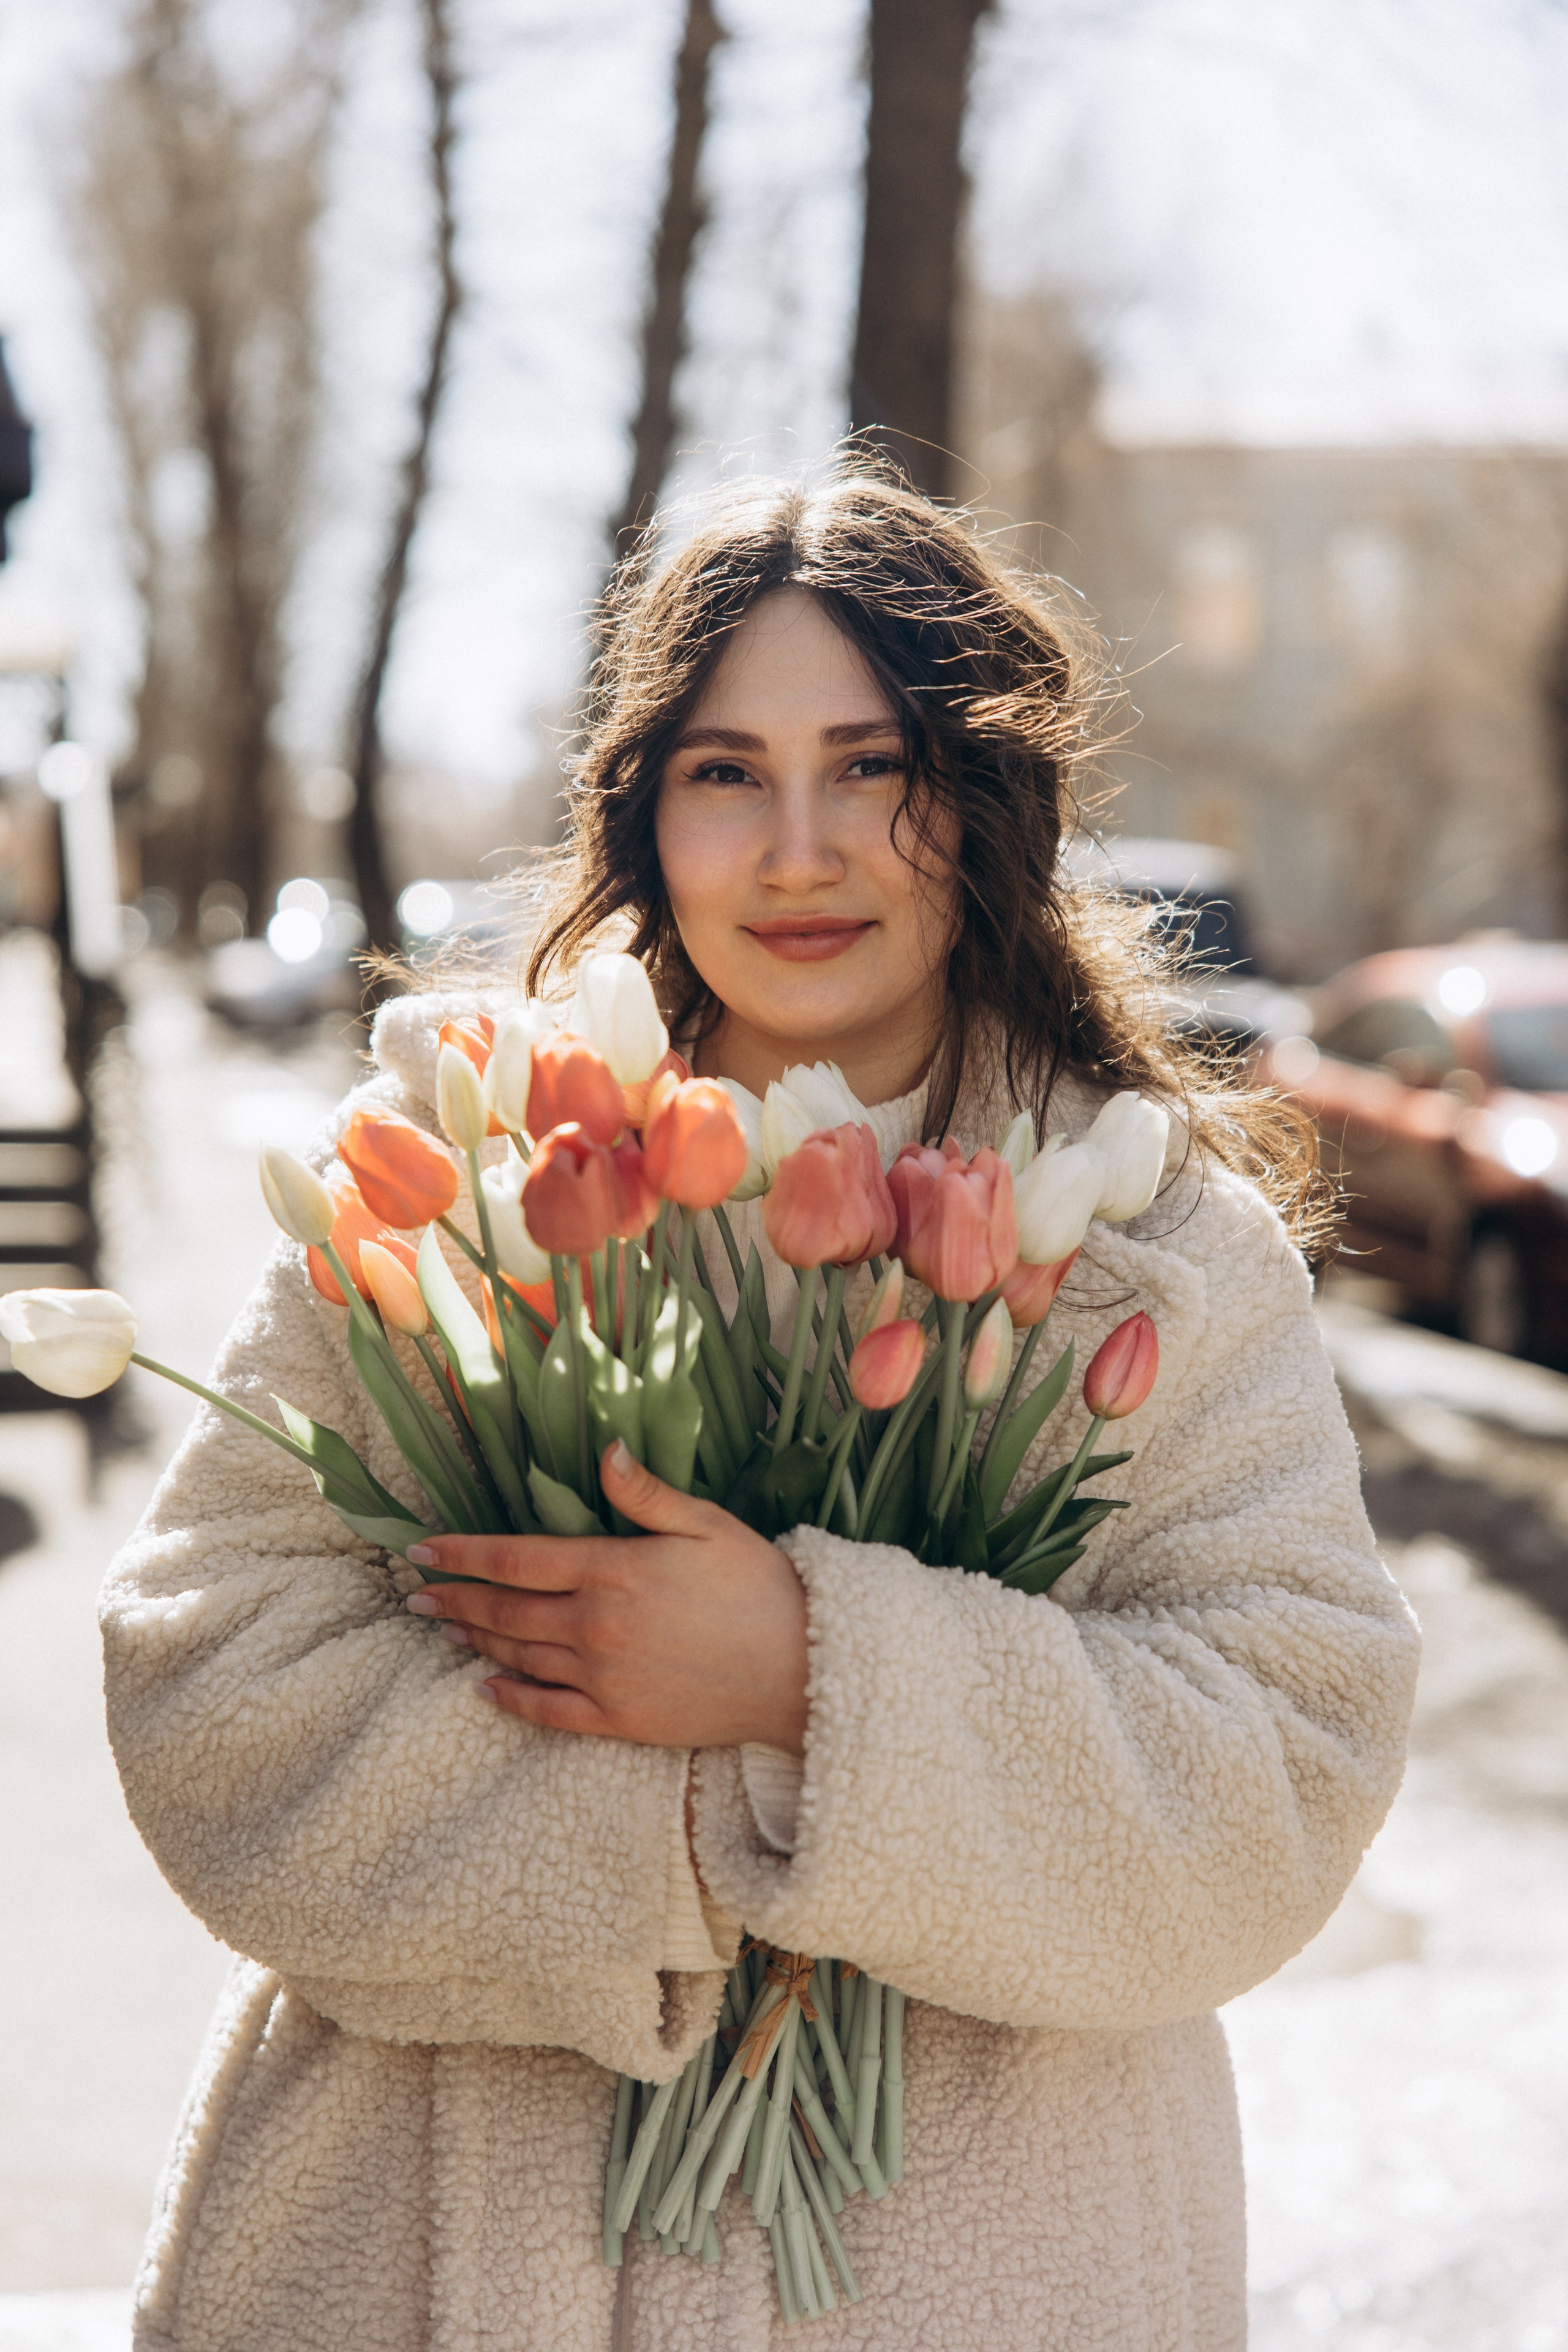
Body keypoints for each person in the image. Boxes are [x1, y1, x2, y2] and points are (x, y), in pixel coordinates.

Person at [102, 464, 1419, 2352]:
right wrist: (695, 1817)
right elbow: (208, 1682)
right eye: (726, 772)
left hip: (993, 2263)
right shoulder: (454, 1173)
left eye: (870, 766)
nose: (801, 851)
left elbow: (1284, 1772)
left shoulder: (1159, 1249)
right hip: (436, 2246)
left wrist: (810, 1674)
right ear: (644, 812)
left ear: (979, 797)